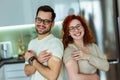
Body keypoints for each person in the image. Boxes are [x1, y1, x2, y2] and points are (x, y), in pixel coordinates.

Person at [62, 14, 109, 80]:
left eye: (78, 26)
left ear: (83, 27)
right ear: (68, 33)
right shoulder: (70, 51)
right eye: (71, 28)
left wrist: (87, 56)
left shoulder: (93, 46)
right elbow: (74, 78)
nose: (76, 30)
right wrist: (94, 77)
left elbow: (106, 66)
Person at [24, 5, 63, 80]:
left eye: (46, 21)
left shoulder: (55, 43)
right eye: (39, 19)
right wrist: (38, 60)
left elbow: (52, 76)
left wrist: (33, 60)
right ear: (35, 20)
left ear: (52, 24)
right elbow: (27, 72)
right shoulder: (32, 43)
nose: (41, 24)